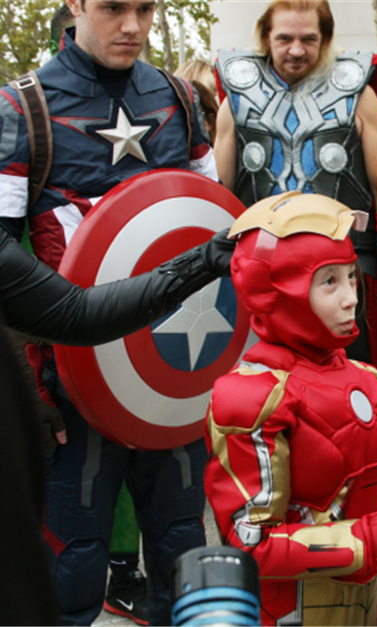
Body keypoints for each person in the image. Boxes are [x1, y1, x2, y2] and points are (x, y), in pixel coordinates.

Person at [0, 1, 218, 624]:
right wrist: (27, 392)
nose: (132, 25)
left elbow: (215, 226)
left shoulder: (179, 98)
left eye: (145, 7)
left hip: (176, 371)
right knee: (71, 572)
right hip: (70, 384)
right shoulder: (23, 110)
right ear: (75, 3)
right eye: (113, 7)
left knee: (185, 559)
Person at [204, 192, 377, 627]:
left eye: (351, 277)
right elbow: (249, 544)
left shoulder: (367, 381)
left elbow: (373, 505)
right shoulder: (253, 397)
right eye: (328, 282)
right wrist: (370, 544)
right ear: (275, 292)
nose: (350, 298)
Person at [214, 0, 377, 504]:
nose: (296, 50)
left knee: (349, 400)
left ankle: (359, 507)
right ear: (266, 37)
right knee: (265, 399)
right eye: (284, 39)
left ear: (325, 38)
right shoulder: (237, 93)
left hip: (342, 280)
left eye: (308, 39)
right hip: (267, 287)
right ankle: (270, 516)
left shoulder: (355, 89)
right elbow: (219, 195)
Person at [0, 226, 233, 627]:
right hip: (77, 394)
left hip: (154, 383)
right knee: (74, 562)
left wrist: (205, 259)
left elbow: (76, 314)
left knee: (179, 545)